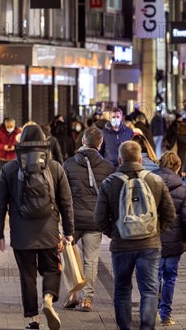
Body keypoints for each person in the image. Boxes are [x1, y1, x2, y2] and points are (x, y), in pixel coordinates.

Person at [0, 124, 74, 330]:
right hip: (48, 230)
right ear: (43, 140)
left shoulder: (10, 168)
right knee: (52, 269)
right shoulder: (55, 167)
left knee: (27, 276)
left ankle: (33, 319)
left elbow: (0, 202)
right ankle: (48, 298)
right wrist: (69, 232)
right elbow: (66, 202)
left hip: (21, 233)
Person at [94, 141, 176, 330]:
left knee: (122, 290)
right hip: (149, 244)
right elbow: (169, 213)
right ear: (141, 158)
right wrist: (155, 232)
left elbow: (99, 218)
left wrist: (114, 233)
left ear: (120, 159)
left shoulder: (109, 182)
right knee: (149, 290)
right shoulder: (155, 181)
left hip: (121, 245)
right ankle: (146, 327)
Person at [63, 126, 115, 311]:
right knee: (90, 261)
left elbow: (63, 195)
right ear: (100, 144)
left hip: (73, 221)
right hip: (95, 221)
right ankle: (87, 299)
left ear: (83, 142)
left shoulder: (68, 164)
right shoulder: (109, 168)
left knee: (68, 257)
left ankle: (72, 294)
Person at [154, 152, 186, 326]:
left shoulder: (149, 183)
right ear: (177, 167)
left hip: (152, 240)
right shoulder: (183, 189)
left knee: (153, 276)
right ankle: (165, 315)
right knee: (169, 277)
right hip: (175, 242)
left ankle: (151, 311)